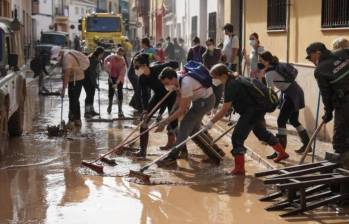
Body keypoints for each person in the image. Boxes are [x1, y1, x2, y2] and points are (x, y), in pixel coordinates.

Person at [206, 64, 289, 175]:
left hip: (252, 111)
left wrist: (211, 122)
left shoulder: (231, 85)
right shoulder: (236, 77)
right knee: (261, 132)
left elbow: (224, 109)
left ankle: (240, 168)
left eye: (214, 77)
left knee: (237, 138)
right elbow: (236, 100)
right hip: (258, 108)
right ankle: (282, 153)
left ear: (223, 75)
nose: (213, 80)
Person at [155, 63, 216, 166]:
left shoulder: (185, 84)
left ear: (173, 78)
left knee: (184, 126)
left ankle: (172, 157)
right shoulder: (178, 79)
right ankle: (214, 152)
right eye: (164, 84)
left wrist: (165, 122)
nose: (166, 86)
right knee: (194, 130)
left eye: (167, 83)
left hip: (205, 102)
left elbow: (182, 109)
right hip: (200, 100)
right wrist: (171, 113)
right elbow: (179, 98)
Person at [259, 51, 310, 158]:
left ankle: (281, 151)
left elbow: (270, 91)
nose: (260, 62)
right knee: (293, 120)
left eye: (261, 60)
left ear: (266, 61)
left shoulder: (269, 73)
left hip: (291, 95)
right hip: (296, 91)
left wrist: (265, 103)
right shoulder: (277, 65)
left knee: (280, 120)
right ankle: (307, 144)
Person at [306, 42, 349, 157]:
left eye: (310, 56)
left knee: (340, 140)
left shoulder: (320, 71)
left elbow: (326, 94)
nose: (310, 60)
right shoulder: (343, 52)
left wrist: (328, 112)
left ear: (318, 53)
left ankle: (342, 165)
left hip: (345, 103)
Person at [131, 53, 179, 157]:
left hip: (171, 95)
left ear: (145, 65)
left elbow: (175, 63)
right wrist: (145, 110)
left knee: (173, 121)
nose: (135, 69)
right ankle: (142, 150)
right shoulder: (142, 78)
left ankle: (180, 149)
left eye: (137, 66)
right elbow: (144, 95)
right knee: (144, 119)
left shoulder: (158, 68)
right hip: (158, 96)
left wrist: (174, 78)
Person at [51, 46, 90, 128]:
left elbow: (66, 75)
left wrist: (63, 89)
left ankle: (71, 121)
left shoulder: (67, 59)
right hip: (76, 78)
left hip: (77, 79)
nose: (56, 59)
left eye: (56, 56)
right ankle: (77, 120)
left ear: (60, 53)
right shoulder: (65, 55)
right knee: (75, 99)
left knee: (73, 100)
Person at [128, 37, 157, 112]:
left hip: (146, 72)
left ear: (144, 43)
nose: (140, 45)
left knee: (144, 90)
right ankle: (140, 107)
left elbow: (154, 58)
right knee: (140, 89)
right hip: (138, 72)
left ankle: (143, 106)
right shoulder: (142, 52)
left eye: (141, 43)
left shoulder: (150, 51)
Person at [104, 47, 127, 117]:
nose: (119, 56)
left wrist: (116, 83)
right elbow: (106, 62)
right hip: (111, 76)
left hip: (119, 78)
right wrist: (108, 74)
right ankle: (110, 105)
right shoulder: (110, 58)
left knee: (120, 91)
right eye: (118, 53)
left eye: (121, 54)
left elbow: (122, 74)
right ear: (116, 53)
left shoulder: (123, 62)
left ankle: (120, 109)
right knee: (111, 91)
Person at [83, 47, 105, 118]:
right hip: (87, 79)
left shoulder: (95, 59)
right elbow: (91, 73)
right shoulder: (93, 59)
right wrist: (95, 84)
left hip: (89, 79)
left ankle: (91, 110)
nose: (102, 56)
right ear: (100, 53)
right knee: (89, 95)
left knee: (91, 94)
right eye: (102, 54)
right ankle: (86, 112)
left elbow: (94, 71)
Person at [203, 38, 223, 113]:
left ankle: (215, 108)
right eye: (207, 45)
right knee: (211, 93)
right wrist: (211, 72)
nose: (209, 46)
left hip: (219, 74)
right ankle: (210, 108)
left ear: (213, 44)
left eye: (210, 44)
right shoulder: (205, 55)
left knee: (219, 92)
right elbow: (205, 66)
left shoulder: (218, 51)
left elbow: (221, 61)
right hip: (210, 75)